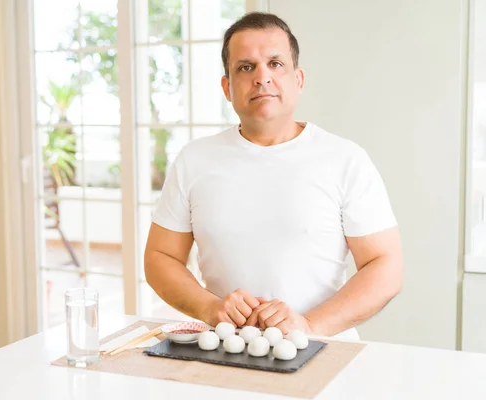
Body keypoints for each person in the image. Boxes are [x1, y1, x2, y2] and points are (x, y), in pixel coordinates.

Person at [143, 12, 404, 339]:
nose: (261, 77)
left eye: (276, 63)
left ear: (298, 80)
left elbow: (386, 265)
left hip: (322, 353)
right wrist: (210, 308)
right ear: (227, 87)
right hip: (226, 351)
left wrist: (308, 325)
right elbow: (160, 257)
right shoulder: (193, 160)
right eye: (245, 67)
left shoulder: (346, 159)